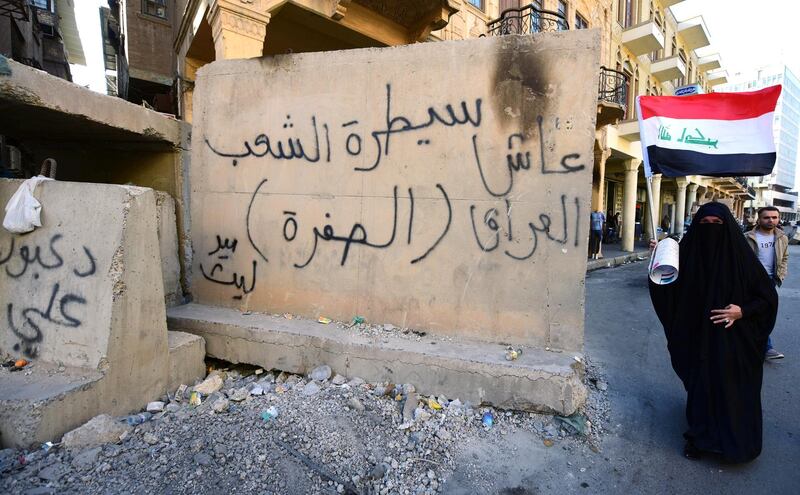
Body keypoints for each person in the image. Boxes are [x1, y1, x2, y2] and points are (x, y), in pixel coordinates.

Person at [649, 202, 778, 463]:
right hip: (697, 338)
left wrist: (741, 311)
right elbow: (665, 287)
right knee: (702, 388)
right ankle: (700, 439)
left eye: (717, 225)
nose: (710, 230)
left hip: (734, 341)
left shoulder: (742, 259)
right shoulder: (687, 254)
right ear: (697, 226)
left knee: (734, 390)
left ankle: (735, 444)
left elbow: (767, 299)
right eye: (704, 224)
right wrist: (660, 258)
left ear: (727, 226)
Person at [745, 206, 788, 360]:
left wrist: (780, 276)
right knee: (752, 313)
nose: (771, 220)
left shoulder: (782, 237)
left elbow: (784, 258)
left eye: (774, 217)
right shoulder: (747, 237)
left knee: (765, 314)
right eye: (767, 217)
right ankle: (764, 348)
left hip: (770, 281)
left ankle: (764, 347)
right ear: (759, 219)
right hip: (750, 281)